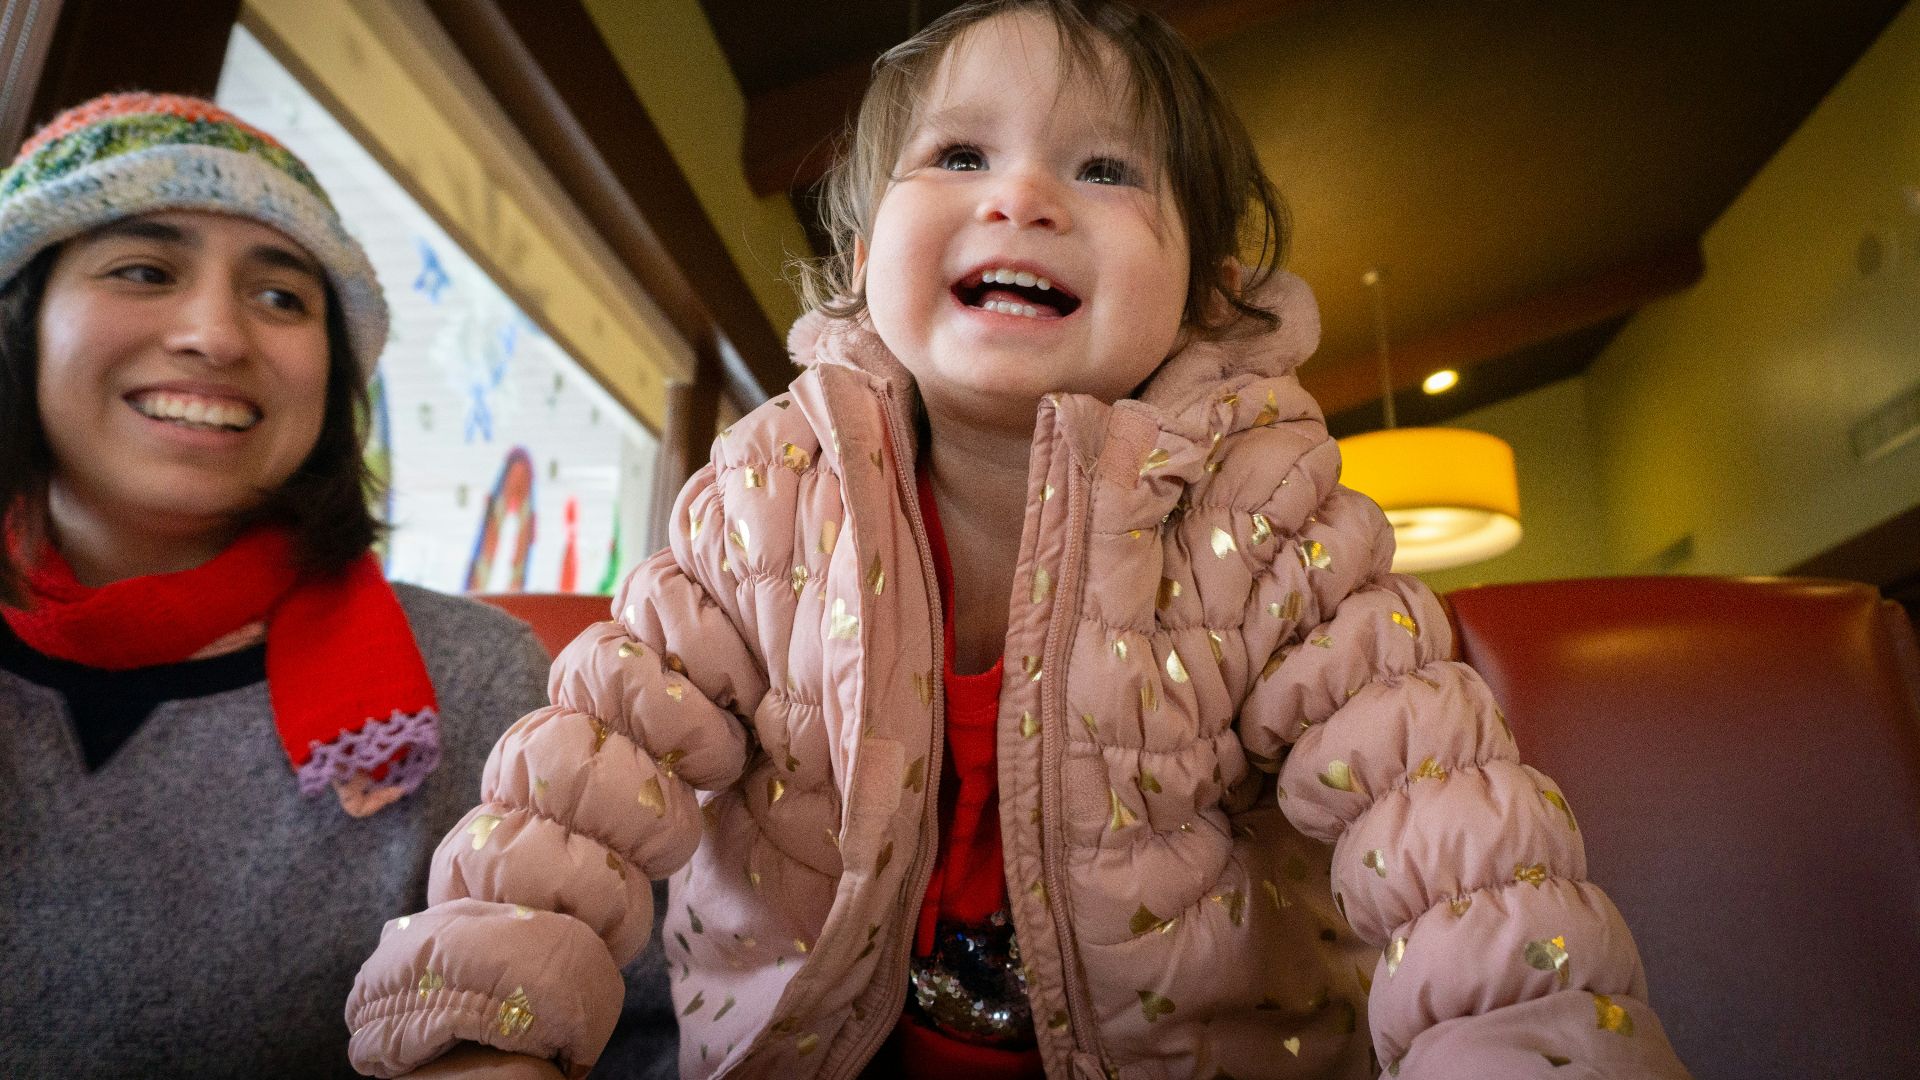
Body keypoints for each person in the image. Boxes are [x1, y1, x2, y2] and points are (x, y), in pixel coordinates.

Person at [349, 3, 1694, 1077]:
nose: (1026, 196)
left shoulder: (1280, 524)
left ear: (1209, 290)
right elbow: (578, 786)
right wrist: (485, 1020)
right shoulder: (764, 497)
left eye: (1106, 168)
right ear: (867, 249)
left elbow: (1461, 849)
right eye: (960, 155)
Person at [0, 93, 556, 1078]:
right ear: (21, 320)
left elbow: (631, 1027)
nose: (216, 334)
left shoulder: (479, 684)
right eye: (143, 269)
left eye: (282, 296)